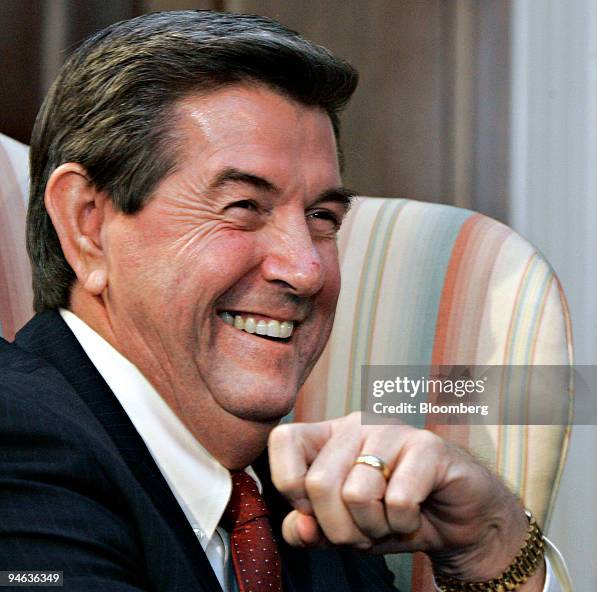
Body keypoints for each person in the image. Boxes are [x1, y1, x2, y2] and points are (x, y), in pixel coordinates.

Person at [0, 10, 568, 592]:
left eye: (323, 218)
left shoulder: (298, 497)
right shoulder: (17, 436)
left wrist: (489, 543)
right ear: (87, 225)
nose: (306, 269)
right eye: (243, 206)